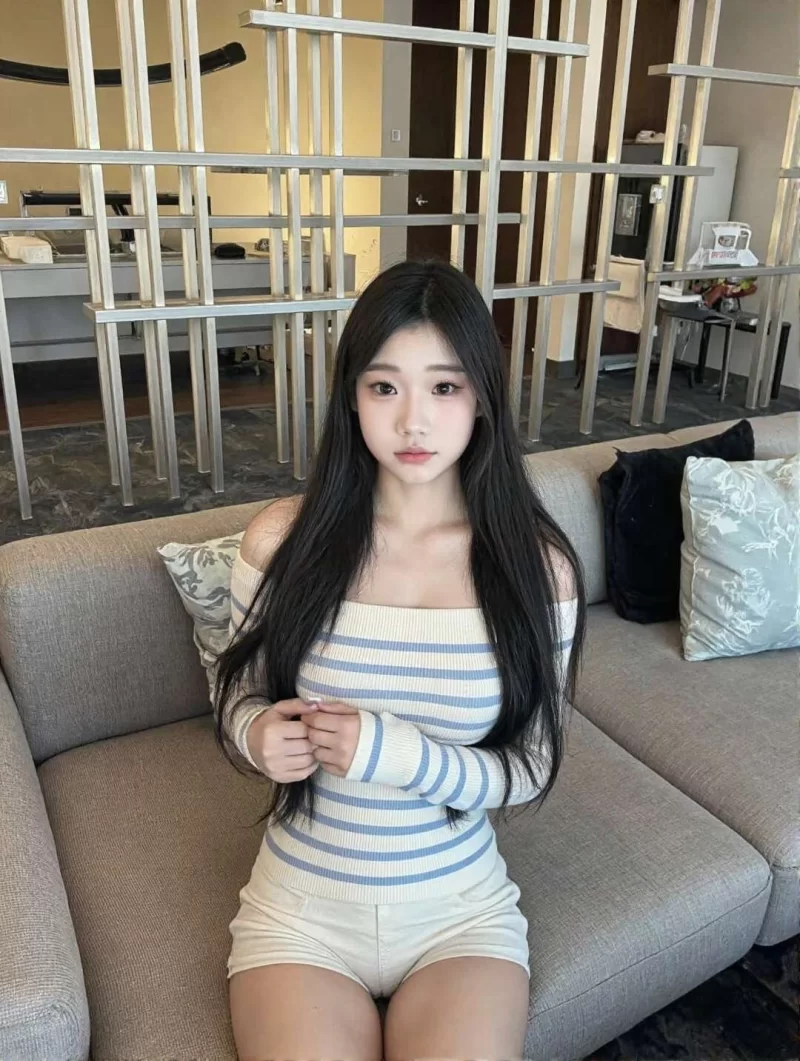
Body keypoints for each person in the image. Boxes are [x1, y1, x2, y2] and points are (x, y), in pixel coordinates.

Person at [213, 259, 586, 1061]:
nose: (414, 420)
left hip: (459, 918)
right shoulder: (282, 539)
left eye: (444, 386)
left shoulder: (536, 567)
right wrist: (254, 735)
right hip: (300, 914)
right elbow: (236, 694)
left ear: (482, 396)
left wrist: (394, 752)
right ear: (351, 397)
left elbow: (530, 765)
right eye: (385, 386)